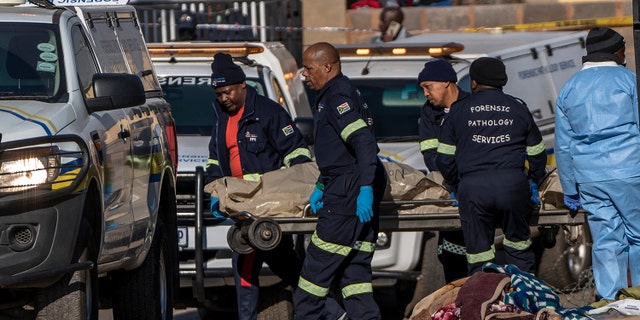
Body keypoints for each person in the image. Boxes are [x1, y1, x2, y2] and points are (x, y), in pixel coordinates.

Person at [205, 52, 339, 320]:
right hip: (242, 208)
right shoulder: (221, 117)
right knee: (267, 265)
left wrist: (290, 189)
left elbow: (297, 155)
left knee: (263, 264)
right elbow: (214, 160)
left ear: (242, 85)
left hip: (271, 207)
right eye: (219, 93)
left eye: (227, 91)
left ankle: (334, 311)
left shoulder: (269, 113)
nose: (224, 98)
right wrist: (215, 191)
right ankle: (334, 312)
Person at [295, 42, 387, 320]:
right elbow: (340, 150)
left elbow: (364, 144)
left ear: (327, 66)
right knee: (354, 275)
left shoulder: (337, 98)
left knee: (312, 279)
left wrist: (364, 188)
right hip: (349, 182)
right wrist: (322, 184)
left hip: (350, 188)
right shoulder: (334, 94)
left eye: (309, 69)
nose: (304, 74)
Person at [435, 57, 547, 275]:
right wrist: (534, 180)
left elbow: (444, 158)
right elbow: (537, 152)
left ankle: (483, 300)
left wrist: (456, 184)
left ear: (474, 82)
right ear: (502, 81)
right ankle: (524, 297)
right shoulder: (518, 108)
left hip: (473, 189)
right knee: (518, 245)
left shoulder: (459, 111)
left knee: (479, 253)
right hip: (513, 187)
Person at [554, 27, 639, 301]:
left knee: (606, 240)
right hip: (630, 169)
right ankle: (637, 297)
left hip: (589, 177)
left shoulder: (569, 87)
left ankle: (610, 300)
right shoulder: (630, 80)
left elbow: (564, 144)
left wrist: (569, 187)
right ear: (616, 51)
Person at [417, 59, 469, 282]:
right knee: (451, 255)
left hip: (476, 189)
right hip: (449, 192)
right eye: (423, 89)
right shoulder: (429, 113)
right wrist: (452, 177)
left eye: (428, 86)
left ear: (447, 82)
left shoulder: (472, 105)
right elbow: (430, 155)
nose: (426, 93)